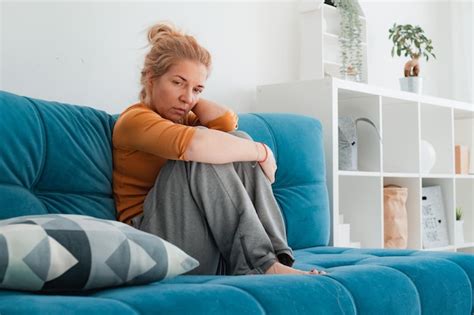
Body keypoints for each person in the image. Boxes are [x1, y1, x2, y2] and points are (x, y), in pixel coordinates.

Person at [112, 22, 326, 276]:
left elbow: (226, 122)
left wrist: (194, 101)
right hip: (152, 241)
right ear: (151, 78)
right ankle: (261, 265)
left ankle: (276, 258)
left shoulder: (184, 119)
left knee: (236, 138)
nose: (187, 97)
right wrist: (262, 152)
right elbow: (197, 145)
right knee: (205, 147)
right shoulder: (135, 121)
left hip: (199, 239)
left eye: (197, 89)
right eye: (178, 83)